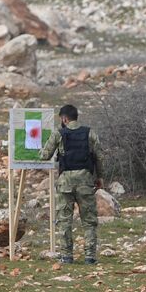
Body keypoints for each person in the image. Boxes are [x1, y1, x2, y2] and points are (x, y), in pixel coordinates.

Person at [38, 104, 101, 265]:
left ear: (64, 118)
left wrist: (40, 147)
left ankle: (66, 256)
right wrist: (99, 177)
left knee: (65, 219)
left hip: (65, 183)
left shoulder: (58, 133)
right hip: (85, 182)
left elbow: (45, 156)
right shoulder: (90, 133)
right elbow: (99, 157)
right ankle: (90, 256)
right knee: (89, 220)